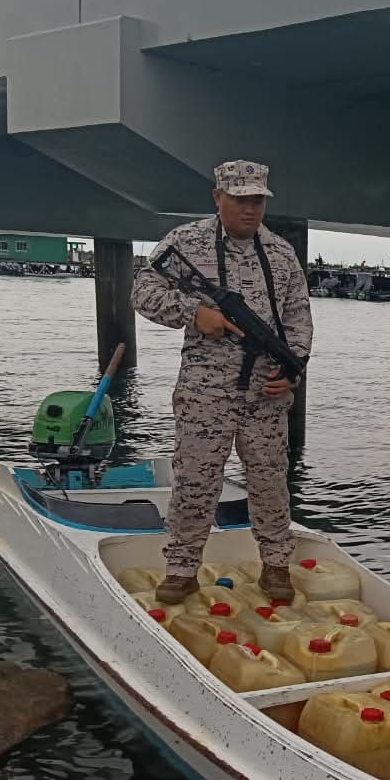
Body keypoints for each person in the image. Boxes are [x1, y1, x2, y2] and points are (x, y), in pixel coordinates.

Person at [132, 160, 313, 605]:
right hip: (205, 392)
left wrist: (291, 371)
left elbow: (298, 319)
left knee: (270, 481)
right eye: (240, 199)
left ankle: (276, 565)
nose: (250, 209)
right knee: (194, 481)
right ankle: (181, 570)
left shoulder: (281, 254)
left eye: (257, 201)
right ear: (218, 197)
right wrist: (195, 313)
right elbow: (143, 292)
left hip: (265, 393)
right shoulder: (186, 242)